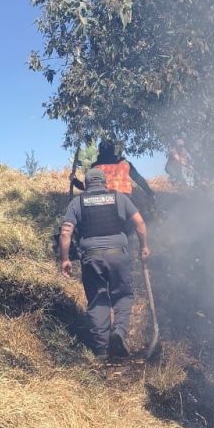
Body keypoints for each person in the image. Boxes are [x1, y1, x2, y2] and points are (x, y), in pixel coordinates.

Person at [59, 167, 150, 360]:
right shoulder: (119, 198)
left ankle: (101, 349)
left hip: (91, 256)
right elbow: (140, 223)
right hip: (119, 254)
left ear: (85, 185)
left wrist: (65, 259)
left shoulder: (78, 202)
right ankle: (119, 332)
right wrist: (144, 246)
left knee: (98, 299)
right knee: (123, 295)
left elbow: (66, 232)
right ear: (105, 183)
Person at [69, 139, 155, 201]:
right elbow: (139, 179)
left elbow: (85, 187)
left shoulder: (95, 167)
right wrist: (150, 193)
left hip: (103, 201)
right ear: (114, 150)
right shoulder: (125, 164)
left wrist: (74, 180)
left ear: (100, 151)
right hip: (125, 199)